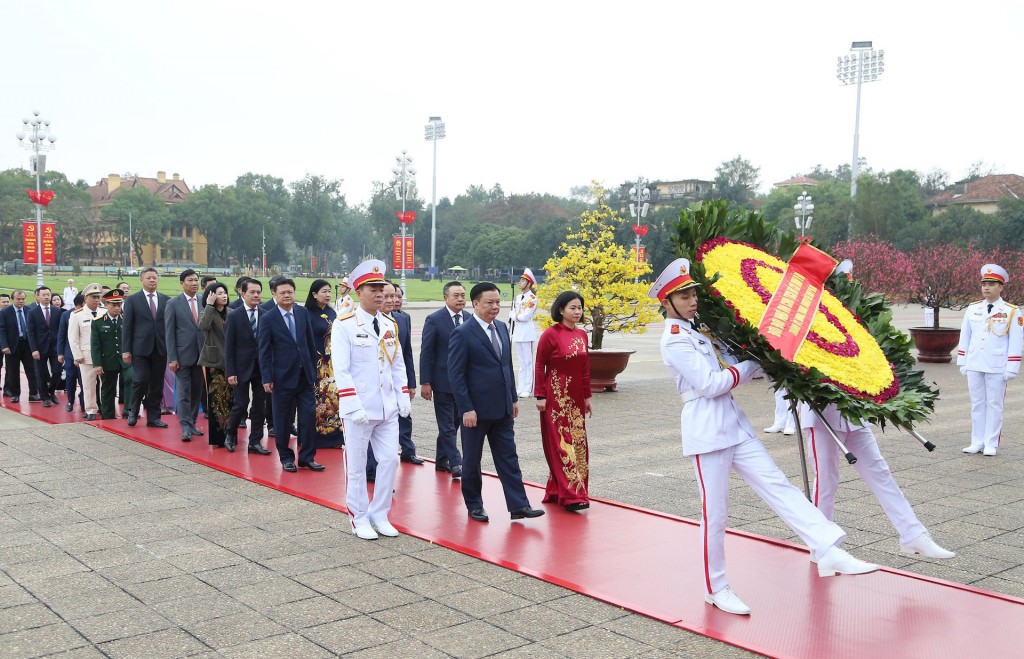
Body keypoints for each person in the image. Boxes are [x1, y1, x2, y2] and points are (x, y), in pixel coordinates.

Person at [650, 257, 877, 616]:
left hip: (734, 424)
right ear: (667, 302)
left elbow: (731, 367)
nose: (693, 300)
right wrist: (751, 364)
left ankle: (828, 548)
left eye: (693, 292)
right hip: (706, 429)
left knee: (779, 485)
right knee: (717, 514)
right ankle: (717, 587)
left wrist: (762, 355)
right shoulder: (674, 340)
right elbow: (711, 384)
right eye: (683, 296)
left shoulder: (699, 330)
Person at [799, 403, 955, 559]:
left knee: (880, 474)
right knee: (826, 482)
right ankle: (823, 545)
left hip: (855, 413)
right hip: (821, 416)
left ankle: (913, 534)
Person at [449, 281, 544, 523]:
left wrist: (512, 398)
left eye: (498, 303)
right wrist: (466, 408)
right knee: (471, 461)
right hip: (475, 412)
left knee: (509, 457)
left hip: (502, 408)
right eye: (489, 303)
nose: (495, 307)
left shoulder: (502, 328)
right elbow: (456, 376)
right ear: (476, 304)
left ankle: (519, 505)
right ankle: (475, 505)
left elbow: (506, 368)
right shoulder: (462, 333)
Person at [331, 260, 410, 540]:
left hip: (386, 407)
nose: (380, 294)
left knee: (389, 461)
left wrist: (403, 395)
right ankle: (359, 517)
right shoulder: (345, 325)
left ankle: (380, 513)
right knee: (356, 465)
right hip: (359, 409)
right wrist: (352, 404)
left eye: (382, 288)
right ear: (358, 292)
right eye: (373, 288)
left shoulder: (390, 323)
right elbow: (341, 369)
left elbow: (396, 364)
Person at [957, 263, 1023, 456]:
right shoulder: (973, 309)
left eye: (992, 284)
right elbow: (965, 336)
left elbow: (1016, 340)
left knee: (994, 404)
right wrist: (963, 361)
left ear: (1001, 287)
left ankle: (991, 442)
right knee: (977, 403)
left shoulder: (1011, 311)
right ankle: (976, 441)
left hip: (997, 365)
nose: (986, 287)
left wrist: (1012, 367)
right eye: (984, 283)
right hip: (975, 362)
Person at [534, 290, 592, 512]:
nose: (577, 312)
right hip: (555, 395)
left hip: (576, 397)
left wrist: (587, 397)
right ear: (561, 310)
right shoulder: (550, 334)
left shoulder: (582, 335)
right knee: (561, 443)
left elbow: (585, 369)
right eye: (572, 308)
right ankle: (572, 495)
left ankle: (565, 489)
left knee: (578, 443)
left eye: (579, 308)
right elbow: (540, 365)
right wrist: (540, 395)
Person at [258, 277, 322, 473]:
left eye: (290, 292)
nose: (287, 295)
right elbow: (264, 351)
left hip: (304, 377)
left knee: (309, 417)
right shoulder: (268, 319)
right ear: (274, 295)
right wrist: (267, 378)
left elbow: (310, 344)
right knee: (283, 420)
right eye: (282, 293)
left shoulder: (302, 313)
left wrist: (314, 371)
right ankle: (286, 457)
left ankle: (307, 457)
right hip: (281, 378)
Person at [366, 282, 422, 481]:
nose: (392, 300)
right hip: (373, 390)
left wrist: (410, 384)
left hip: (396, 384)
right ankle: (371, 470)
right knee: (373, 431)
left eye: (395, 296)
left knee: (403, 419)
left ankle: (407, 450)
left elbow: (405, 356)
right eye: (387, 296)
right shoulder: (360, 323)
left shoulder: (400, 320)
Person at [419, 281, 470, 479]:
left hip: (463, 383)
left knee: (456, 422)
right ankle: (456, 463)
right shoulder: (434, 319)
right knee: (447, 424)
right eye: (456, 295)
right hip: (441, 381)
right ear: (445, 298)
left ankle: (442, 460)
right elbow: (426, 352)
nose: (460, 299)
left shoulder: (469, 318)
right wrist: (425, 381)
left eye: (462, 295)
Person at [224, 278, 271, 455]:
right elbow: (229, 346)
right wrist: (231, 371)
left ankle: (255, 442)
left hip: (262, 369)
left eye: (258, 292)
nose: (256, 295)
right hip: (241, 368)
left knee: (260, 406)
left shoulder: (266, 314)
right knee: (241, 403)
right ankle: (230, 433)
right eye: (252, 292)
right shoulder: (234, 316)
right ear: (243, 293)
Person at [122, 267, 170, 429]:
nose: (152, 280)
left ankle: (154, 417)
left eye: (155, 278)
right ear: (141, 280)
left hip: (160, 348)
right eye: (149, 278)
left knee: (157, 384)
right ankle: (133, 410)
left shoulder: (165, 300)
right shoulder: (133, 300)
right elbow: (127, 327)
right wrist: (126, 350)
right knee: (140, 380)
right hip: (140, 348)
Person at [165, 269, 205, 442]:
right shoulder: (173, 303)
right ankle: (185, 427)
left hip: (202, 355)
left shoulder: (204, 300)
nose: (194, 283)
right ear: (182, 283)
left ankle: (193, 422)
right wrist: (172, 358)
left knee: (197, 391)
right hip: (182, 356)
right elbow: (169, 332)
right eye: (190, 280)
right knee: (183, 393)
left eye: (196, 280)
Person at [303, 279, 344, 449]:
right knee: (316, 401)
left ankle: (334, 438)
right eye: (323, 292)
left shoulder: (332, 313)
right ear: (314, 294)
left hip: (332, 364)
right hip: (316, 363)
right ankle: (314, 438)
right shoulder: (306, 314)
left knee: (333, 399)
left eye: (329, 291)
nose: (327, 295)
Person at [91, 289, 132, 420]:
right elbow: (95, 345)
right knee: (108, 389)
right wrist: (97, 364)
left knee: (131, 379)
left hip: (125, 360)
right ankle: (108, 415)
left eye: (119, 305)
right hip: (108, 360)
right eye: (113, 305)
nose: (117, 308)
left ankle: (129, 409)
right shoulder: (98, 322)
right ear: (106, 305)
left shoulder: (126, 320)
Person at [68, 284, 105, 420]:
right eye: (94, 297)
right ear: (86, 298)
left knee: (106, 384)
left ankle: (105, 407)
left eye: (98, 297)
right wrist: (77, 356)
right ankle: (91, 409)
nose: (97, 300)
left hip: (104, 355)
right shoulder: (77, 315)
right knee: (89, 385)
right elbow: (73, 338)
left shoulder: (104, 312)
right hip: (87, 355)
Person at [0, 290, 40, 403]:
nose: (21, 301)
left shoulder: (29, 311)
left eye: (23, 298)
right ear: (13, 299)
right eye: (18, 299)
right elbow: (1, 330)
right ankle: (15, 394)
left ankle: (33, 393)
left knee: (31, 370)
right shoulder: (5, 312)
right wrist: (4, 345)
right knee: (13, 372)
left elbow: (34, 329)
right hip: (12, 346)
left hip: (27, 345)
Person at [26, 286, 63, 407]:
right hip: (40, 348)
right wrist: (34, 349)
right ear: (38, 297)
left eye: (48, 294)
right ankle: (45, 397)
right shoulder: (32, 312)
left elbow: (61, 330)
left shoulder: (57, 311)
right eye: (44, 295)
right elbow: (30, 332)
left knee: (57, 371)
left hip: (55, 347)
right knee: (40, 373)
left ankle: (51, 391)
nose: (47, 297)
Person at [509, 269, 539, 398]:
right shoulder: (517, 298)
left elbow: (525, 316)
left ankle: (528, 387)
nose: (520, 282)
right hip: (518, 332)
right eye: (520, 280)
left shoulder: (532, 298)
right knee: (521, 362)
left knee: (528, 361)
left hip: (527, 331)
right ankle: (520, 386)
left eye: (523, 281)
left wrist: (514, 315)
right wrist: (516, 316)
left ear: (529, 283)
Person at [56, 293, 84, 412]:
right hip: (70, 353)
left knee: (84, 380)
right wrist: (60, 353)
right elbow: (61, 334)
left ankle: (84, 403)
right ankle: (70, 401)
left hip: (85, 353)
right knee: (71, 377)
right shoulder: (67, 315)